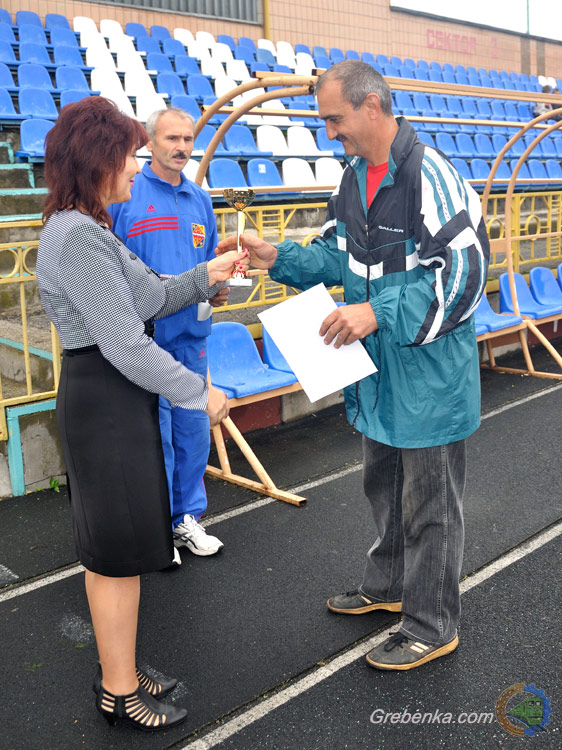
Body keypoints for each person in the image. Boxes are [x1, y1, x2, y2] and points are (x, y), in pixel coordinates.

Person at [217, 61, 490, 671]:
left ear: (372, 106)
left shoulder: (430, 174)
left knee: (431, 507)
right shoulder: (350, 179)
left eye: (334, 119)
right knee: (383, 487)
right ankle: (388, 586)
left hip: (427, 378)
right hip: (376, 372)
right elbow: (334, 257)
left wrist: (376, 312)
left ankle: (432, 623)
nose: (329, 132)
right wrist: (277, 257)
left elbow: (466, 275)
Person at [36, 97, 247, 730]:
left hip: (113, 398)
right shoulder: (77, 238)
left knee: (122, 550)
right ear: (97, 160)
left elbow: (152, 294)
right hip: (104, 399)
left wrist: (209, 271)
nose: (137, 165)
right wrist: (197, 391)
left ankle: (122, 667)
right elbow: (126, 346)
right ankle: (119, 692)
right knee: (114, 556)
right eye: (129, 155)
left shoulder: (88, 227)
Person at [109, 107, 225, 561]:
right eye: (172, 138)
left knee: (192, 433)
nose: (181, 147)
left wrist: (217, 290)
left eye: (188, 139)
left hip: (191, 335)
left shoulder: (200, 199)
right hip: (144, 340)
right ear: (150, 142)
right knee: (152, 437)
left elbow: (207, 263)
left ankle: (184, 519)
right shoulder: (125, 195)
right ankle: (155, 526)